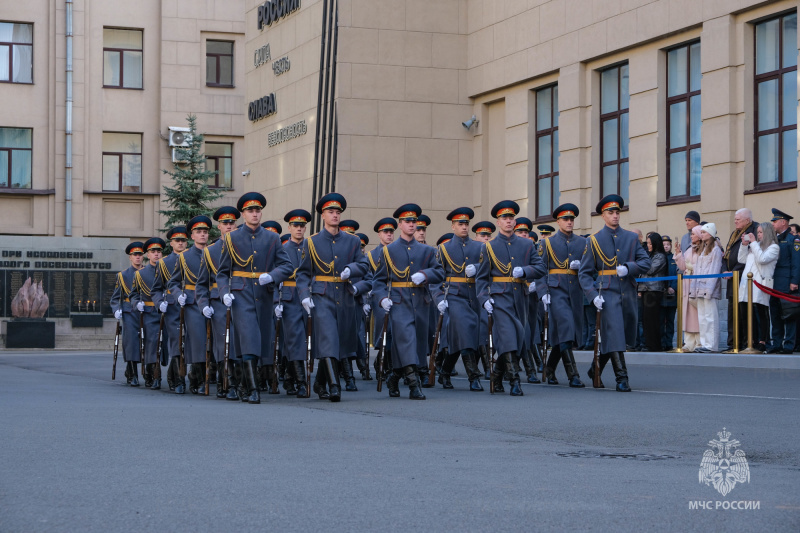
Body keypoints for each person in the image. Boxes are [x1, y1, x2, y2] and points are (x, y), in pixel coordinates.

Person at [216, 192, 294, 404]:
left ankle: (243, 383)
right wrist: (224, 293)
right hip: (241, 294)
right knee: (249, 336)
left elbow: (287, 265)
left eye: (257, 210)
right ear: (243, 214)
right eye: (250, 210)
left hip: (264, 294)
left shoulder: (272, 237)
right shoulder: (232, 238)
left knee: (260, 341)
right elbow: (223, 272)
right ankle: (253, 389)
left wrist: (273, 276)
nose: (255, 214)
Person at [296, 193, 370, 402]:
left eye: (338, 212)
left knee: (339, 342)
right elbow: (302, 273)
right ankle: (334, 385)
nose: (335, 215)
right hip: (322, 295)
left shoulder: (353, 241)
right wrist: (304, 295)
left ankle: (320, 382)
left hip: (345, 296)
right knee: (328, 338)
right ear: (323, 215)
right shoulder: (311, 242)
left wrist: (351, 269)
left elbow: (364, 265)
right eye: (331, 212)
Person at [373, 204, 445, 400]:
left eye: (414, 221)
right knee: (406, 341)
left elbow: (440, 272)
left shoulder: (427, 251)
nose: (412, 225)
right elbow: (378, 281)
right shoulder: (388, 252)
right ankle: (414, 385)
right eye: (407, 221)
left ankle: (394, 377)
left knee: (416, 346)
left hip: (421, 302)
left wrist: (425, 274)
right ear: (400, 224)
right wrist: (382, 299)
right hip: (398, 303)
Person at [579, 195, 650, 392]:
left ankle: (595, 368)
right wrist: (593, 295)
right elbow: (584, 274)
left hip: (627, 291)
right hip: (606, 292)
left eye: (617, 212)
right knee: (616, 333)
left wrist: (629, 267)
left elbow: (646, 262)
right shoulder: (593, 240)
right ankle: (622, 378)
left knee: (619, 335)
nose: (615, 216)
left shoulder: (631, 238)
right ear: (603, 216)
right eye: (611, 212)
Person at [475, 200, 546, 397]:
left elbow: (540, 268)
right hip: (500, 297)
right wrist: (484, 298)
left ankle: (497, 375)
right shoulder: (488, 248)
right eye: (504, 218)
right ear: (498, 222)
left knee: (519, 338)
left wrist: (524, 271)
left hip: (520, 298)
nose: (508, 221)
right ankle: (515, 381)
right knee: (507, 336)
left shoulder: (527, 244)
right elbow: (482, 278)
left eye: (511, 218)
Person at [432, 207, 484, 391]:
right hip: (454, 296)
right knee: (465, 329)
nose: (464, 227)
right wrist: (439, 298)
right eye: (460, 224)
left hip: (474, 296)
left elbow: (488, 269)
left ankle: (445, 373)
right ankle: (474, 377)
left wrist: (477, 268)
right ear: (453, 226)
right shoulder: (444, 249)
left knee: (460, 338)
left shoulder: (480, 247)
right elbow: (436, 277)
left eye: (466, 223)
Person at [537, 203, 586, 388]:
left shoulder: (582, 242)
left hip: (574, 291)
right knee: (566, 326)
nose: (569, 222)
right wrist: (542, 292)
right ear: (558, 221)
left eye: (572, 219)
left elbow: (589, 267)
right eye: (565, 219)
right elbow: (541, 269)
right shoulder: (546, 243)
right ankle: (573, 374)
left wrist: (580, 266)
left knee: (564, 334)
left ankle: (549, 369)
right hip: (555, 291)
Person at [196, 206, 241, 400]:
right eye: (225, 223)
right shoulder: (211, 251)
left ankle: (242, 382)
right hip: (218, 302)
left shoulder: (244, 245)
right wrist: (204, 304)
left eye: (231, 222)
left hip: (242, 298)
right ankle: (227, 383)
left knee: (241, 341)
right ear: (219, 226)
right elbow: (201, 284)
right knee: (223, 343)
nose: (229, 226)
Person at [272, 208, 313, 397]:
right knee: (295, 339)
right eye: (295, 225)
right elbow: (273, 278)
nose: (299, 229)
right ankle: (301, 382)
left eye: (302, 226)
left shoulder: (310, 248)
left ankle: (289, 378)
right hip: (288, 298)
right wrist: (275, 302)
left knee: (296, 340)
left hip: (307, 297)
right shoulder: (281, 249)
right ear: (289, 227)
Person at [152, 227, 188, 392]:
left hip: (193, 304)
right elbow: (156, 289)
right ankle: (178, 379)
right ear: (171, 243)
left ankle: (196, 378)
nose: (180, 243)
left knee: (192, 342)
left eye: (183, 240)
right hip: (173, 307)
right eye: (177, 241)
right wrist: (160, 302)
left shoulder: (195, 257)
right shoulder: (164, 263)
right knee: (177, 342)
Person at [130, 237, 166, 389]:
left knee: (165, 344)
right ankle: (153, 374)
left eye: (158, 251)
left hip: (166, 311)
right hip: (149, 312)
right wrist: (136, 303)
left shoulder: (168, 270)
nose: (156, 254)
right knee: (152, 343)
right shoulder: (140, 274)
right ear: (147, 255)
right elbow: (133, 294)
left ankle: (173, 374)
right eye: (153, 251)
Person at [738, 222, 779, 352]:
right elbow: (742, 260)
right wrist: (744, 246)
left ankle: (763, 340)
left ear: (767, 233)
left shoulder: (773, 247)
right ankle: (750, 340)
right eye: (758, 232)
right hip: (747, 283)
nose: (758, 235)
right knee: (745, 312)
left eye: (761, 232)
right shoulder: (755, 246)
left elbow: (762, 259)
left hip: (760, 283)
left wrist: (753, 243)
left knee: (761, 312)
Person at [722, 208, 758, 350]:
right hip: (732, 278)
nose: (735, 221)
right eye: (735, 219)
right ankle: (733, 343)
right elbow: (727, 254)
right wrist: (725, 268)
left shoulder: (753, 230)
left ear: (747, 220)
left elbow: (747, 257)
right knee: (732, 312)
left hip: (743, 278)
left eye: (738, 219)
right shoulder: (735, 233)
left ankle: (745, 343)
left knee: (743, 312)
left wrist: (733, 271)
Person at [110, 242, 145, 386]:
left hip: (144, 311)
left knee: (146, 342)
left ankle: (147, 372)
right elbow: (115, 298)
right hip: (129, 312)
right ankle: (132, 373)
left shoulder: (148, 272)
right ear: (130, 257)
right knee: (131, 342)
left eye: (140, 255)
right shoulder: (123, 275)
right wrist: (116, 310)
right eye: (134, 255)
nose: (137, 257)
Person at [368, 217, 397, 382]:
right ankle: (382, 361)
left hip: (397, 295)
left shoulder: (397, 251)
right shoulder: (372, 255)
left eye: (391, 232)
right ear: (379, 234)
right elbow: (370, 278)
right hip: (381, 296)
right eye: (386, 232)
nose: (389, 235)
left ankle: (388, 365)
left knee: (395, 332)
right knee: (384, 333)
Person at [767, 208, 800, 353]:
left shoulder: (794, 240)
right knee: (775, 314)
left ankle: (788, 345)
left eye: (775, 221)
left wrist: (794, 281)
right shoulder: (775, 239)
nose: (773, 224)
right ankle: (777, 343)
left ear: (783, 222)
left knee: (789, 314)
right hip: (773, 282)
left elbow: (796, 262)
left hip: (787, 283)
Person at [693, 223, 723, 352]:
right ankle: (704, 343)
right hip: (700, 287)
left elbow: (714, 269)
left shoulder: (715, 249)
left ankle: (711, 344)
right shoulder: (703, 249)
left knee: (710, 316)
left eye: (704, 232)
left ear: (710, 234)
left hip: (708, 288)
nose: (702, 234)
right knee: (702, 317)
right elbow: (697, 270)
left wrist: (709, 289)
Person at [472, 220, 495, 378]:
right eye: (482, 235)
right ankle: (482, 366)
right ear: (476, 236)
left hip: (488, 291)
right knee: (479, 331)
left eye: (488, 235)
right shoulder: (473, 249)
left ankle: (486, 366)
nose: (486, 238)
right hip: (472, 293)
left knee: (486, 329)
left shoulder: (492, 249)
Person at [637, 232, 668, 352]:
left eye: (650, 243)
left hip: (654, 290)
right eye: (648, 243)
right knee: (646, 319)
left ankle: (654, 345)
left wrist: (641, 265)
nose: (648, 245)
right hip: (646, 289)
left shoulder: (660, 256)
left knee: (652, 319)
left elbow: (650, 270)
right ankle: (648, 343)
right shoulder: (649, 256)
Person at [674, 226, 702, 351]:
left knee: (698, 314)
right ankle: (689, 343)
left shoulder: (704, 249)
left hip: (697, 284)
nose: (691, 236)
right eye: (691, 234)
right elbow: (682, 266)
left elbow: (704, 265)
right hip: (687, 284)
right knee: (688, 314)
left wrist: (691, 266)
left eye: (693, 234)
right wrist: (679, 253)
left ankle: (700, 342)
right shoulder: (690, 249)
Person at [661, 236, 678, 350]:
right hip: (661, 294)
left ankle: (669, 343)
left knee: (670, 320)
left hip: (672, 294)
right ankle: (662, 343)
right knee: (661, 320)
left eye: (668, 244)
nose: (666, 246)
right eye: (663, 244)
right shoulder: (659, 258)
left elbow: (677, 274)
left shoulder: (674, 258)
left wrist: (673, 287)